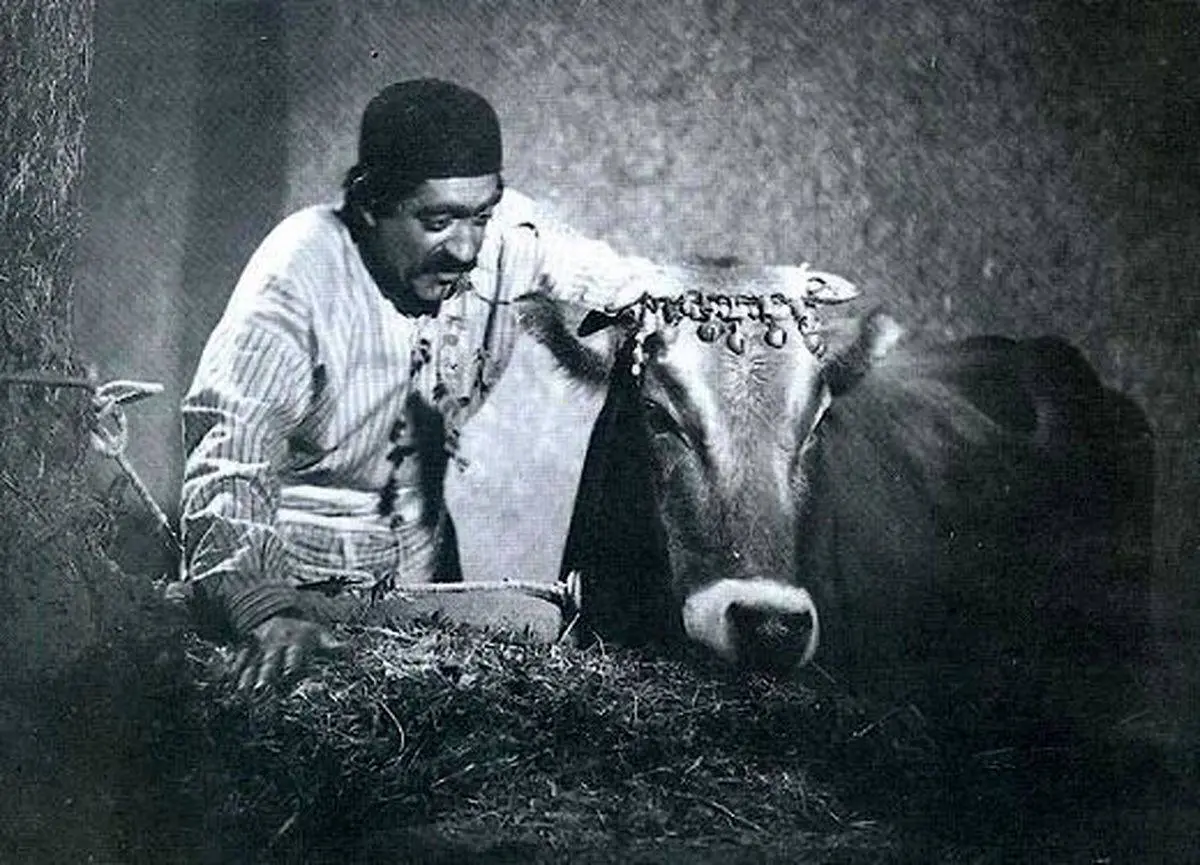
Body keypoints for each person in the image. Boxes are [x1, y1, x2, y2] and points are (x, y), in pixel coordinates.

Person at [180, 78, 823, 690]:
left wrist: (771, 303)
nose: (466, 249)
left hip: (423, 586)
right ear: (370, 205)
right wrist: (262, 609)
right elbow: (231, 455)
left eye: (481, 217)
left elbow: (632, 286)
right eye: (437, 222)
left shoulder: (502, 234)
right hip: (293, 595)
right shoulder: (299, 274)